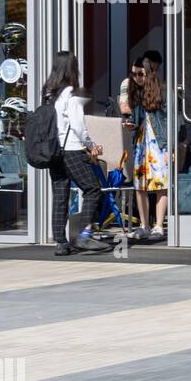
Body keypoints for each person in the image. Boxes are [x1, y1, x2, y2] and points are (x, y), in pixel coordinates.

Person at [42, 51, 111, 255]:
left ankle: (61, 243)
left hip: (53, 151)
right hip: (71, 149)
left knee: (60, 195)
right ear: (72, 68)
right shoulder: (70, 94)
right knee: (92, 189)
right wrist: (91, 145)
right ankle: (83, 235)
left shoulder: (48, 93)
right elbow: (79, 126)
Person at [130, 55, 170, 241]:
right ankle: (144, 225)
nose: (136, 78)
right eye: (134, 74)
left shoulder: (162, 92)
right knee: (140, 186)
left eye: (140, 74)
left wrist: (171, 148)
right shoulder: (137, 94)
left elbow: (172, 122)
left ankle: (158, 226)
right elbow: (138, 121)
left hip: (158, 144)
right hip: (141, 143)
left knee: (161, 184)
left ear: (148, 74)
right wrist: (131, 125)